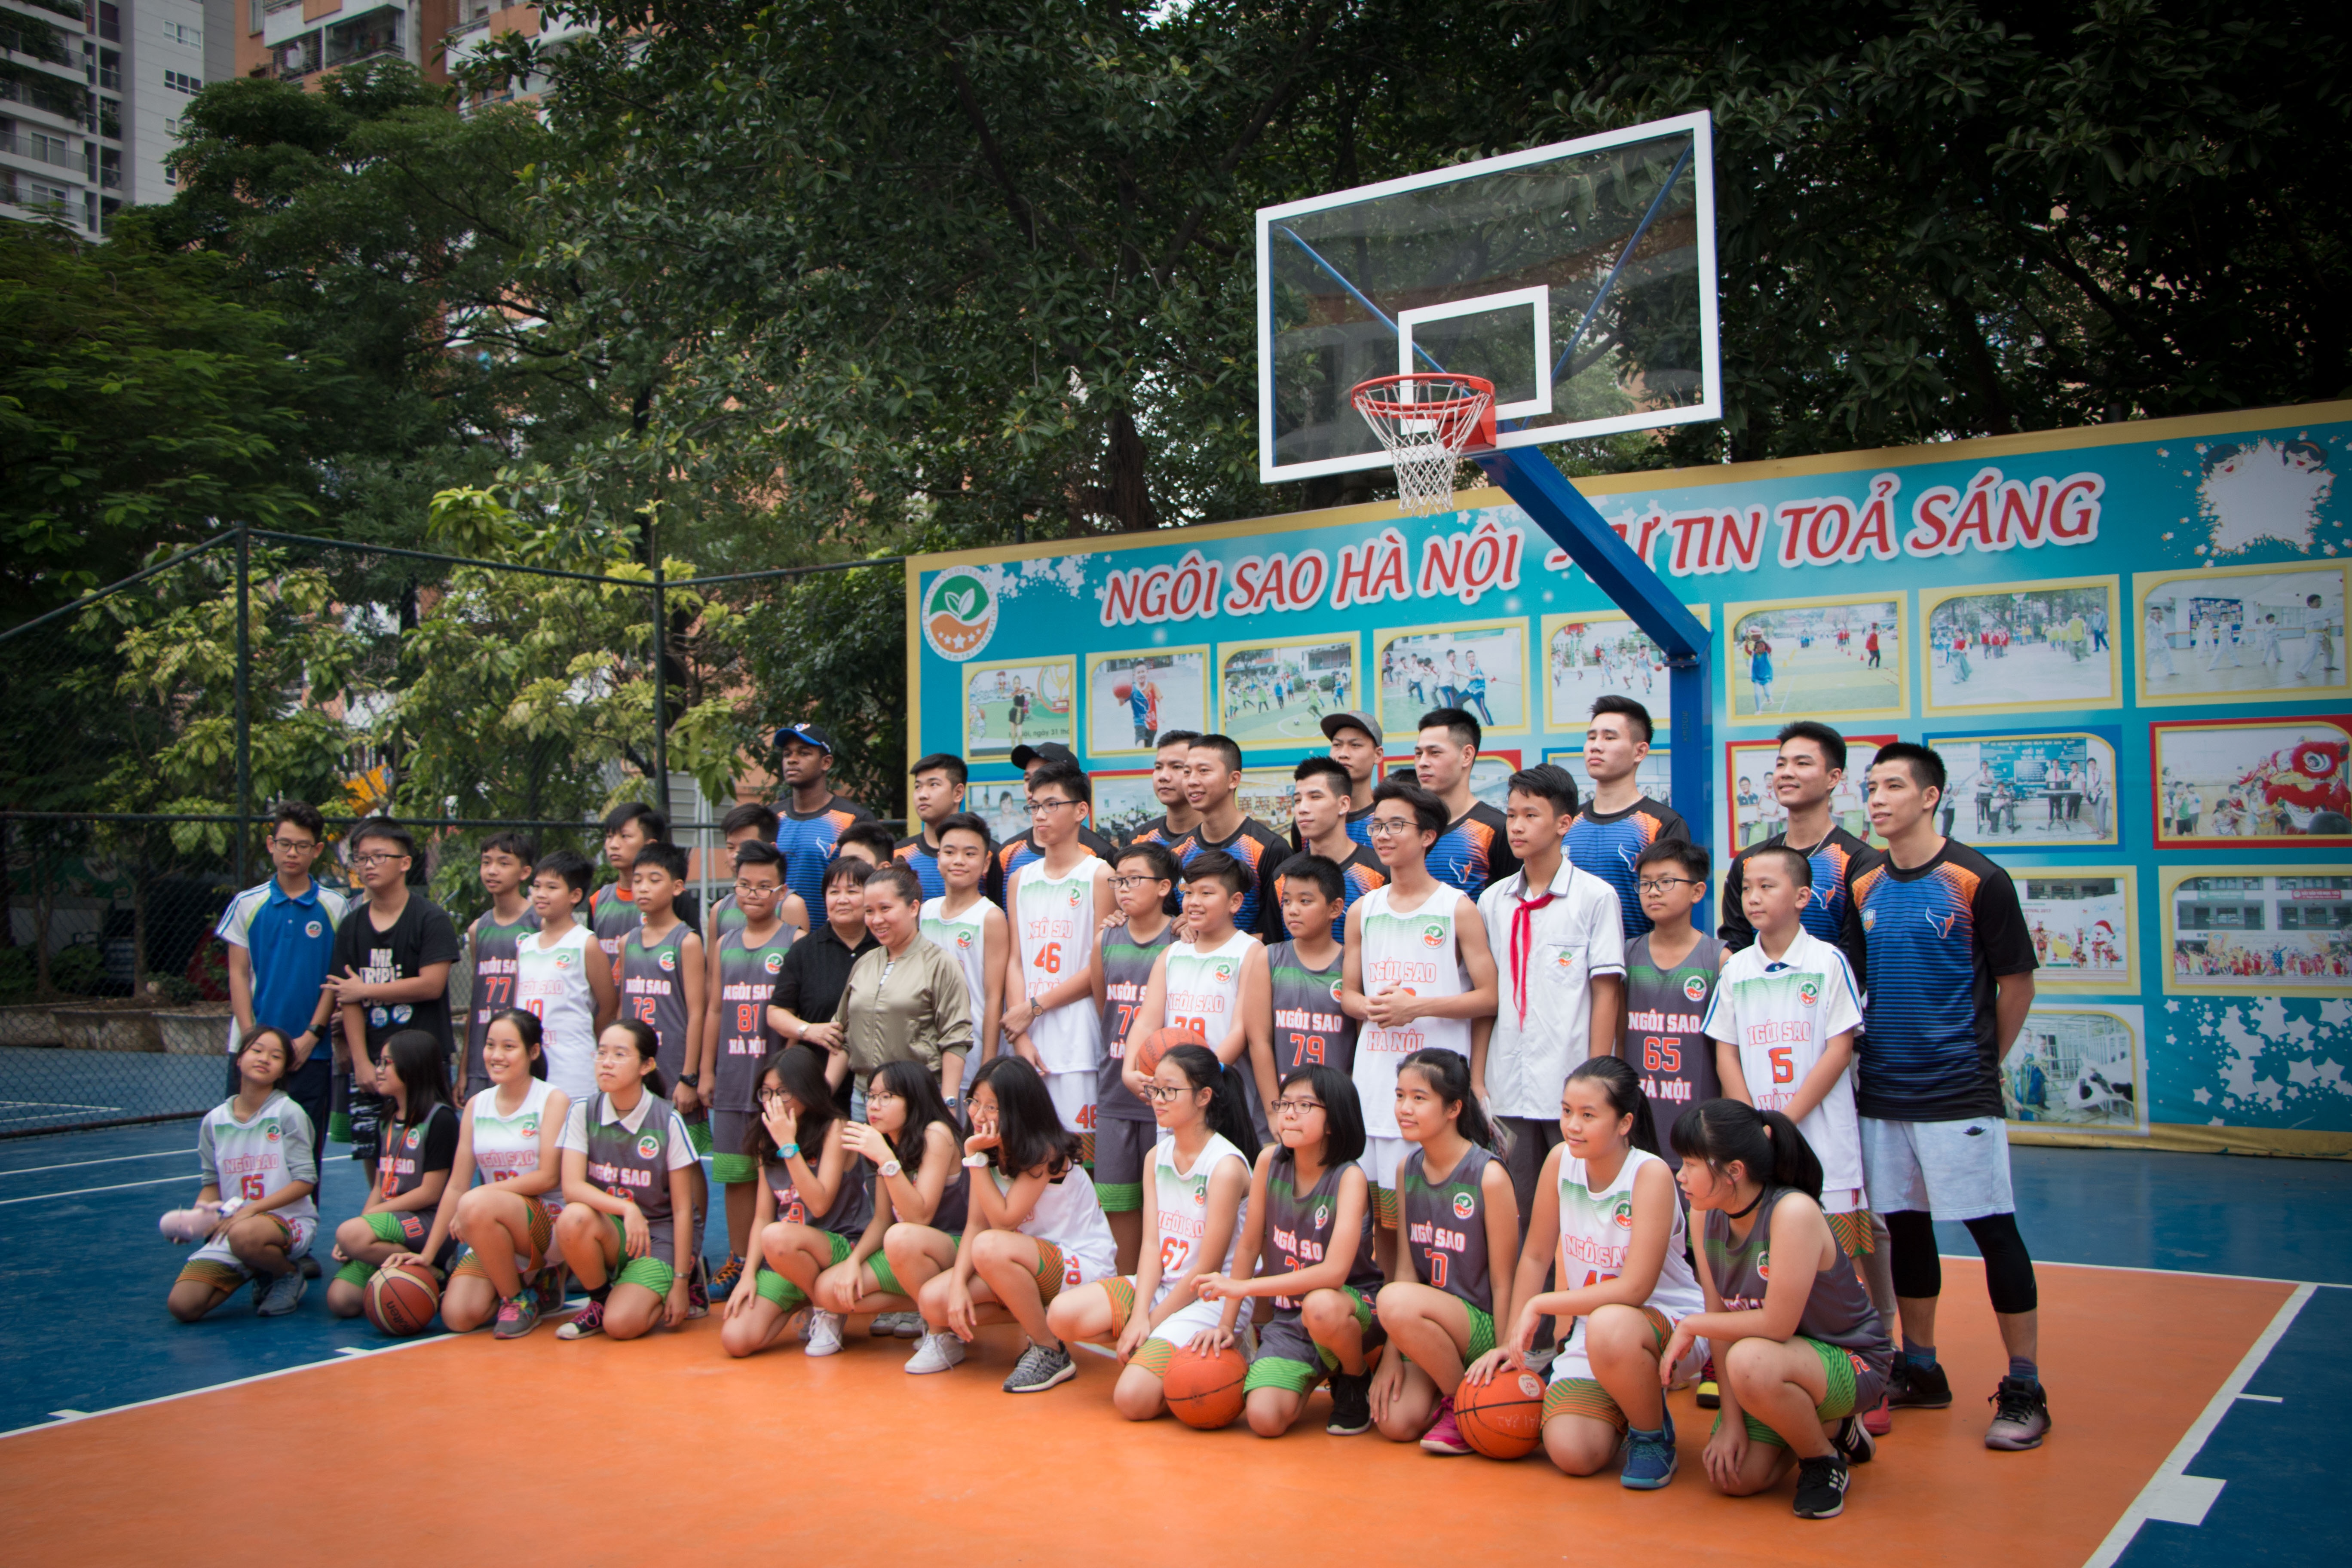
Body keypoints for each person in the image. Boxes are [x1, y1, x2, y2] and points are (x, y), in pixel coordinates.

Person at [1853, 741, 2046, 1448]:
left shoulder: (1977, 880)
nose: (1877, 799)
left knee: (1993, 1230)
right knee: (1906, 1229)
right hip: (1883, 1091)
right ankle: (1923, 1367)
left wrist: (1982, 1063)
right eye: (1871, 787)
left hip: (1958, 1094)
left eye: (1892, 786)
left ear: (1929, 796)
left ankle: (2024, 1384)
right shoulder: (1864, 883)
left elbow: (2016, 984)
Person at [1475, 1057, 1700, 1488]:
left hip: (1670, 1324)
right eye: (1567, 1112)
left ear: (1625, 1123)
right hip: (1596, 1333)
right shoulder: (1561, 1161)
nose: (1572, 1126)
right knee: (1572, 1452)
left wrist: (1543, 1304)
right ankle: (1626, 1398)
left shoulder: (1649, 1174)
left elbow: (1634, 1289)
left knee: (1611, 1325)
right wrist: (1509, 1343)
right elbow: (1536, 1256)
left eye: (1588, 1115)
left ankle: (1652, 1434)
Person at [1664, 1100, 1890, 1519]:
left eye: (1691, 1164)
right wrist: (1732, 1421)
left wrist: (1692, 1324)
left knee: (1749, 1359)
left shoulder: (1792, 1212)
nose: (1681, 1174)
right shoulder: (1703, 1215)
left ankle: (1823, 1460)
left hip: (1851, 1360)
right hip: (1776, 1368)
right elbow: (1721, 1322)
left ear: (1734, 1171)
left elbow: (1777, 1325)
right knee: (1734, 1478)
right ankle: (1834, 1428)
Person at [1045, 1043, 1258, 1419]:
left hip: (1209, 1298)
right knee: (1061, 1315)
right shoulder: (1156, 1157)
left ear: (1204, 1097)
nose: (1158, 1099)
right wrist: (1140, 1314)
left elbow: (1206, 1268)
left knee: (1132, 1401)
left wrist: (1151, 1322)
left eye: (1170, 1091)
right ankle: (1161, 1350)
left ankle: (1227, 1348)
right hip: (1163, 1287)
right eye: (1155, 1089)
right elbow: (1150, 1245)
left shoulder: (1225, 1166)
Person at [1343, 778, 1501, 1277]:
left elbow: (1490, 997)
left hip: (1435, 1083)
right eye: (1377, 826)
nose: (1384, 836)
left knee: (1433, 1212)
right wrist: (1369, 1007)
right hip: (1375, 1082)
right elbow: (1348, 995)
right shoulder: (1363, 909)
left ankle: (1439, 1304)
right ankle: (1390, 1309)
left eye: (1397, 826)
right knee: (1383, 1217)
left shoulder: (1457, 908)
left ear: (1428, 835)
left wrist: (1417, 1007)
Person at [1706, 846, 1875, 1279]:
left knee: (1840, 1263)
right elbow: (1726, 1053)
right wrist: (1753, 1126)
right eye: (1747, 888)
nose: (1753, 898)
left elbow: (1839, 1052)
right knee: (1769, 1256)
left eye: (1767, 887)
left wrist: (1782, 1123)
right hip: (1760, 1142)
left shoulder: (1828, 962)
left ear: (1802, 897)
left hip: (1823, 1139)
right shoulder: (1736, 969)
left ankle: (1862, 1327)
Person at [1195, 1064, 1384, 1436]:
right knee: (1265, 1419)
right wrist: (1226, 1324)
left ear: (1334, 1121)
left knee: (1321, 1306)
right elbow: (1249, 1245)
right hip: (1291, 1320)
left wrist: (1244, 1287)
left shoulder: (1349, 1177)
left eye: (1305, 1105)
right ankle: (1320, 1368)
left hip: (1350, 1307)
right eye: (1284, 1104)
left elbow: (1333, 1274)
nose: (1290, 1113)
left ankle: (1354, 1377)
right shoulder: (1269, 1161)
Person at [909, 1055, 1118, 1389]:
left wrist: (974, 1159)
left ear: (1019, 1109)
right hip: (1024, 1265)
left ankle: (1050, 1349)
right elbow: (976, 1225)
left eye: (992, 1107)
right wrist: (959, 1285)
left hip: (1080, 1266)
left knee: (990, 1246)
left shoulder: (1046, 1151)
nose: (979, 1115)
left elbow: (1003, 1223)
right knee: (935, 1302)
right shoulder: (991, 1149)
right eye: (975, 1102)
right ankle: (1030, 1318)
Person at [1475, 764, 1624, 1225]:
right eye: (1511, 815)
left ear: (1564, 823)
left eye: (1530, 815)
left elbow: (1606, 993)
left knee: (1579, 1207)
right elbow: (1486, 998)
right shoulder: (1493, 901)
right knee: (1515, 1208)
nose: (1516, 827)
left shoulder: (1595, 897)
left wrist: (1597, 1079)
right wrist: (1478, 1078)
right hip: (1506, 1084)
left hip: (1571, 1085)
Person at [1370, 1048, 1520, 1453]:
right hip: (1427, 1327)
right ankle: (1452, 1390)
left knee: (1394, 1300)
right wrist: (1391, 1356)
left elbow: (1505, 1281)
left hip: (1481, 1326)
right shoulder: (1407, 1169)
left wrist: (1503, 1353)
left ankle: (1462, 1404)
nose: (1405, 1108)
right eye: (1400, 1096)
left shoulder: (1488, 1175)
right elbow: (1406, 1271)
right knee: (1396, 1423)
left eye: (1419, 1098)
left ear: (1454, 1108)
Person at [403, 1008, 570, 1338]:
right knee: (458, 1316)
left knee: (474, 1204)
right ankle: (535, 1282)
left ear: (533, 1052)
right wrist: (428, 1255)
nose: (496, 1055)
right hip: (492, 1223)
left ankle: (519, 1299)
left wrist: (480, 1197)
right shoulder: (477, 1105)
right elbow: (456, 1187)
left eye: (509, 1047)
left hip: (548, 1223)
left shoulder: (552, 1099)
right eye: (491, 1045)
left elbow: (549, 1177)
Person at [326, 819, 460, 1193]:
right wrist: (361, 1062)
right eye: (361, 858)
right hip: (374, 1060)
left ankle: (431, 1226)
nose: (368, 865)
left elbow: (431, 985)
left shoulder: (431, 919)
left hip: (423, 1062)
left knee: (428, 1154)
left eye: (379, 857)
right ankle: (379, 1220)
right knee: (375, 1152)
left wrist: (367, 988)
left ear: (405, 863)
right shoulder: (351, 926)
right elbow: (348, 997)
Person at [214, 800, 346, 1177]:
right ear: (271, 845)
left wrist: (311, 1035)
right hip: (253, 1050)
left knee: (302, 1158)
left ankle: (300, 1219)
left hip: (310, 1053)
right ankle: (240, 1216)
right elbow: (238, 974)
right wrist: (251, 1040)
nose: (292, 853)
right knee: (243, 1153)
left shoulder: (335, 907)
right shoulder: (246, 904)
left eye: (302, 846)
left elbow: (334, 980)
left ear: (317, 850)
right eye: (285, 844)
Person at [552, 1020, 698, 1340]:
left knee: (621, 1326)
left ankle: (686, 1276)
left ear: (647, 1065)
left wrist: (680, 1282)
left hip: (657, 1238)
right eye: (602, 1053)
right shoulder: (582, 1111)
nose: (606, 1063)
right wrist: (626, 1209)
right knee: (573, 1217)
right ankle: (600, 1300)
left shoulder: (667, 1120)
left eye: (619, 1055)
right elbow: (572, 1188)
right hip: (613, 1231)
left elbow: (683, 1210)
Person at [809, 1059, 969, 1344]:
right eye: (871, 1096)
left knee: (902, 1236)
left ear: (914, 1099)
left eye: (886, 1097)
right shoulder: (888, 1141)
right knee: (826, 1291)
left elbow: (920, 1218)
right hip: (906, 1250)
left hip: (954, 1247)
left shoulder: (936, 1135)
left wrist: (886, 1159)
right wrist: (854, 1262)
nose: (874, 1106)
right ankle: (928, 1308)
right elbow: (883, 1219)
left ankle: (942, 1333)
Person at [165, 1028, 318, 1321]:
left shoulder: (288, 1113)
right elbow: (212, 1184)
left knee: (244, 1235)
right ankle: (257, 1266)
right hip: (236, 1227)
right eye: (257, 1051)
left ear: (284, 1070)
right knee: (184, 1306)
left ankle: (286, 1273)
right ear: (239, 1058)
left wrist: (251, 1211)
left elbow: (305, 1182)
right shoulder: (214, 1121)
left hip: (288, 1222)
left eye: (276, 1056)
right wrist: (196, 1221)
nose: (264, 1059)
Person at [1002, 760, 1114, 1153]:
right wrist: (1019, 1032)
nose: (1040, 815)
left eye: (1052, 805)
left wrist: (1033, 1007)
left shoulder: (1100, 875)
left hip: (1077, 1038)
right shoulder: (1021, 878)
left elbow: (1097, 968)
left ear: (1081, 810)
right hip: (1027, 1036)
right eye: (1034, 806)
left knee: (1081, 1157)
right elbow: (1016, 960)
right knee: (1029, 1153)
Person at [616, 840, 709, 1308]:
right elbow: (622, 1008)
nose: (643, 888)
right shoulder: (628, 941)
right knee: (646, 1161)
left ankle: (694, 1256)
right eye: (638, 880)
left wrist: (689, 1076)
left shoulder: (686, 941)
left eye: (654, 880)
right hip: (637, 1075)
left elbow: (697, 1011)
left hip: (674, 1073)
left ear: (676, 887)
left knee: (686, 1166)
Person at [736, 1045, 873, 1356]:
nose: (774, 1102)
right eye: (767, 1093)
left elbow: (819, 1204)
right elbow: (763, 1216)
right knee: (737, 1339)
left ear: (807, 1090)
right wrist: (748, 1275)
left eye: (784, 1092)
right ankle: (807, 1294)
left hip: (838, 1244)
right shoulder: (765, 1137)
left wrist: (788, 1145)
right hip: (786, 1253)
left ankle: (827, 1309)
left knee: (777, 1235)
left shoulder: (834, 1129)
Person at [1131, 849, 1277, 1139]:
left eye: (1206, 893)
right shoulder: (1172, 954)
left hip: (1221, 1092)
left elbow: (1241, 1030)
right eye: (1188, 892)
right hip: (1174, 1091)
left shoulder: (1250, 952)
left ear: (1235, 902)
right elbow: (1147, 1022)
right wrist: (1130, 1070)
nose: (1194, 901)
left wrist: (1199, 1078)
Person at [1721, 722, 1879, 986]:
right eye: (1781, 764)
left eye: (1802, 764)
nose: (1786, 773)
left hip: (1829, 1002)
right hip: (1758, 1001)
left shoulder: (1861, 861)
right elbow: (1737, 946)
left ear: (1833, 778)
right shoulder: (1750, 861)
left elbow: (1855, 959)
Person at [706, 839, 796, 1300]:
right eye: (744, 885)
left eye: (764, 886)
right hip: (732, 1078)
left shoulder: (794, 941)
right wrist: (705, 1072)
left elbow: (797, 1016)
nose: (753, 894)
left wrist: (791, 1079)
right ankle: (739, 1259)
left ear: (782, 892)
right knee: (737, 1175)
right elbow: (714, 1010)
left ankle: (780, 1263)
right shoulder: (723, 943)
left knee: (781, 1174)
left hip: (773, 1082)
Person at [325, 1028, 459, 1318]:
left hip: (429, 1221)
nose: (379, 1070)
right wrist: (359, 1231)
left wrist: (362, 1226)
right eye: (379, 1062)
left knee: (351, 1235)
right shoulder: (386, 1118)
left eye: (387, 1063)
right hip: (391, 1219)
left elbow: (431, 1193)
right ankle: (398, 1266)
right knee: (341, 1301)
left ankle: (434, 1269)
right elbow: (379, 1186)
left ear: (411, 1067)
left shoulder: (441, 1119)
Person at [1092, 840, 1182, 1269]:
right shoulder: (1106, 937)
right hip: (1115, 1088)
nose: (1123, 889)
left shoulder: (1181, 937)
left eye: (1134, 879)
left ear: (1165, 887)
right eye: (1118, 881)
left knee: (1167, 1204)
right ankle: (1127, 1285)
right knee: (1117, 1201)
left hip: (1166, 1092)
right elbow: (1103, 1004)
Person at [838, 861, 975, 1099]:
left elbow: (956, 1039)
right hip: (864, 1097)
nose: (876, 920)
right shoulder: (864, 963)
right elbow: (842, 1033)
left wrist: (949, 1103)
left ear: (913, 908)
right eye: (869, 911)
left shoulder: (940, 964)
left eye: (885, 909)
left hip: (916, 1097)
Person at [1565, 695, 1691, 940]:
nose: (1595, 746)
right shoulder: (1567, 822)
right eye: (1591, 737)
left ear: (1640, 751)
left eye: (1609, 738)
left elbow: (1673, 913)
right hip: (1568, 961)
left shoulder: (1663, 824)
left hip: (1635, 960)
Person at [766, 857, 881, 1118]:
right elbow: (776, 1012)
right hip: (818, 1084)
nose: (842, 900)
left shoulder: (885, 947)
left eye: (852, 891)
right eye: (834, 892)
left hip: (877, 1087)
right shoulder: (805, 950)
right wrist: (809, 1030)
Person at [1623, 841, 1722, 1115]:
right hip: (1639, 1110)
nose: (1653, 892)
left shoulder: (1719, 959)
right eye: (1645, 883)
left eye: (1666, 882)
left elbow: (1729, 1051)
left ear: (1697, 891)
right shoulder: (1627, 955)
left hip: (1699, 1113)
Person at [514, 849, 619, 1107]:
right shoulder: (526, 946)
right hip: (531, 1066)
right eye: (537, 886)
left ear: (575, 895)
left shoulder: (585, 943)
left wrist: (587, 1039)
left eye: (552, 887)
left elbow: (608, 1006)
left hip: (573, 1068)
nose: (541, 894)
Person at [1175, 734, 1291, 937]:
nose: (1192, 781)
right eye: (1187, 772)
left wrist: (1219, 945)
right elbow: (1169, 923)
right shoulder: (1176, 852)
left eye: (1204, 771)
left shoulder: (1270, 849)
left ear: (1234, 779)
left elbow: (1278, 935)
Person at [919, 811, 1008, 1066]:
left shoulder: (990, 917)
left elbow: (994, 998)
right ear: (938, 858)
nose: (959, 861)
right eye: (950, 852)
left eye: (970, 854)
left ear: (986, 862)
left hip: (973, 1049)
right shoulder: (925, 912)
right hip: (927, 1048)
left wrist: (987, 1063)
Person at [773, 722, 877, 935]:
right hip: (777, 944)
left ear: (826, 762)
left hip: (835, 942)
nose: (792, 760)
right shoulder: (771, 818)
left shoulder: (855, 819)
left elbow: (873, 887)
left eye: (804, 753)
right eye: (787, 754)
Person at [459, 830, 538, 1099]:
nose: (492, 871)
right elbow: (476, 1000)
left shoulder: (538, 924)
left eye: (504, 863)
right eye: (486, 862)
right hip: (483, 1057)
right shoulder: (477, 929)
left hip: (522, 1052)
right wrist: (465, 1068)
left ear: (525, 872)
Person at [1268, 854, 1360, 1077]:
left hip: (1337, 1094)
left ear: (1335, 908)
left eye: (1305, 901)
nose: (1292, 910)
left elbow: (1362, 1041)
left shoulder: (1350, 962)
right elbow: (1259, 1041)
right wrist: (1274, 1100)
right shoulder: (1268, 958)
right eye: (1287, 901)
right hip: (1284, 1093)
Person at [991, 742, 1121, 899]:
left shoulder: (1100, 854)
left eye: (1043, 777)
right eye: (1028, 779)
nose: (1032, 787)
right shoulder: (1008, 853)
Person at [1412, 707, 1519, 897]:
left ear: (1467, 755)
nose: (1423, 763)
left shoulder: (1497, 829)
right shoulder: (1407, 828)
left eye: (1434, 753)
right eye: (1419, 754)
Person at [1286, 756, 1387, 937]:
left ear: (1343, 804)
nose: (1302, 809)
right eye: (1298, 800)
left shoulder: (1380, 870)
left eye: (1315, 797)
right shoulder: (1283, 875)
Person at [590, 802, 698, 960]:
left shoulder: (676, 897)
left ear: (650, 845)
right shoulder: (597, 900)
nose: (613, 845)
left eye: (625, 836)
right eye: (609, 836)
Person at [702, 802, 808, 952]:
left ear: (771, 847)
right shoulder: (720, 910)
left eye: (746, 847)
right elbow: (713, 965)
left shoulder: (791, 906)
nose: (736, 855)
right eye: (731, 847)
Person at [897, 752, 971, 899]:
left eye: (934, 785)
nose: (922, 795)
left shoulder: (986, 854)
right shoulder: (898, 855)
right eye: (918, 787)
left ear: (958, 793)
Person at [1117, 729, 1204, 851]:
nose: (1163, 776)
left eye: (1177, 767)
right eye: (1158, 767)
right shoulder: (1138, 840)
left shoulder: (1222, 839)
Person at [1320, 710, 1385, 845]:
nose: (1343, 754)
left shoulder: (1390, 819)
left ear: (1378, 755)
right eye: (1337, 745)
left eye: (1355, 745)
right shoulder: (1314, 817)